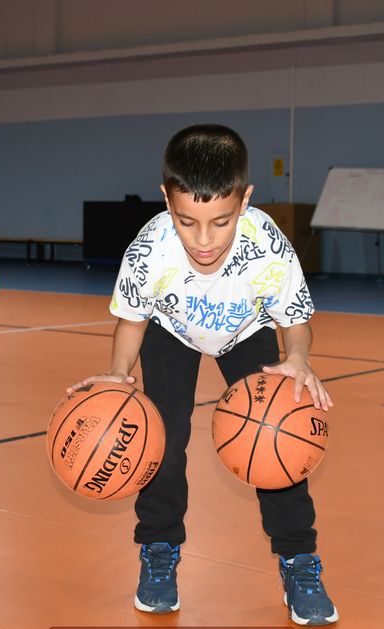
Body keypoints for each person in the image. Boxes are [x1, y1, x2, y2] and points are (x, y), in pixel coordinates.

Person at [67, 123, 339, 625]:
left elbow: (295, 324)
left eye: (221, 221)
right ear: (166, 198)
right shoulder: (150, 249)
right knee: (161, 444)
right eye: (187, 221)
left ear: (246, 199)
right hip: (172, 331)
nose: (205, 240)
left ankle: (298, 560)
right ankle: (159, 551)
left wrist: (297, 359)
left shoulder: (268, 247)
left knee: (276, 438)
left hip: (246, 330)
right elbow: (132, 322)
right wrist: (117, 374)